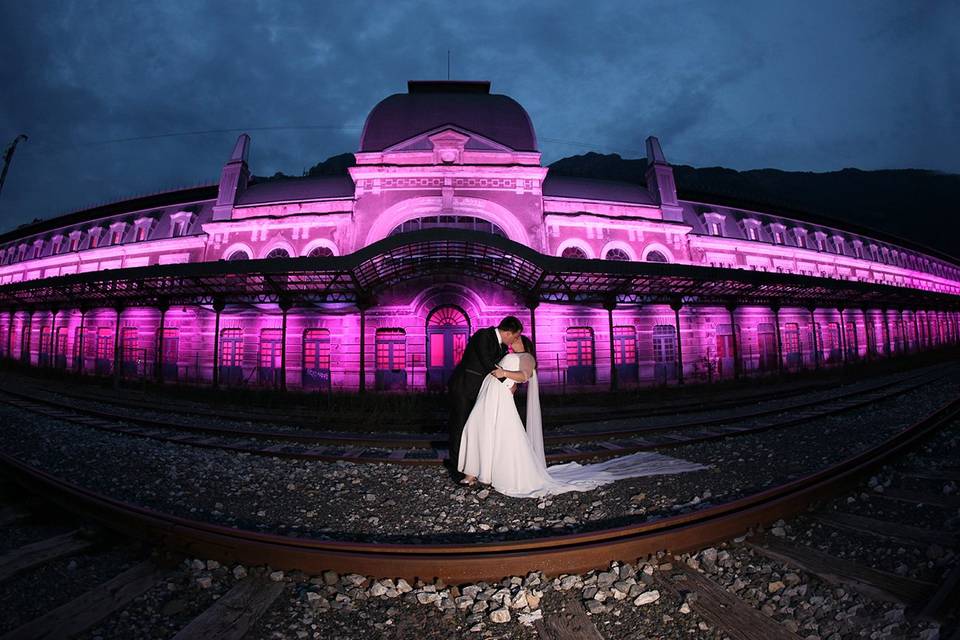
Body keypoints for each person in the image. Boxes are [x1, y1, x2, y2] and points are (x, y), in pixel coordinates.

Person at [457, 335, 707, 498]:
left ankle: (501, 473)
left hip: (502, 398)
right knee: (495, 436)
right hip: (497, 400)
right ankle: (487, 471)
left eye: (519, 339)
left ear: (526, 344)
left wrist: (506, 378)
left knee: (506, 439)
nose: (515, 341)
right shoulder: (511, 353)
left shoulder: (527, 357)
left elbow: (523, 377)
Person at [446, 316, 523, 480]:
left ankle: (472, 467)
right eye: (516, 336)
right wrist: (509, 383)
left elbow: (503, 366)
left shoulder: (503, 348)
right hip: (464, 388)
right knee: (459, 428)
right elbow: (487, 363)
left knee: (475, 430)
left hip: (481, 392)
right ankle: (457, 470)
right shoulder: (483, 335)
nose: (516, 340)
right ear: (508, 333)